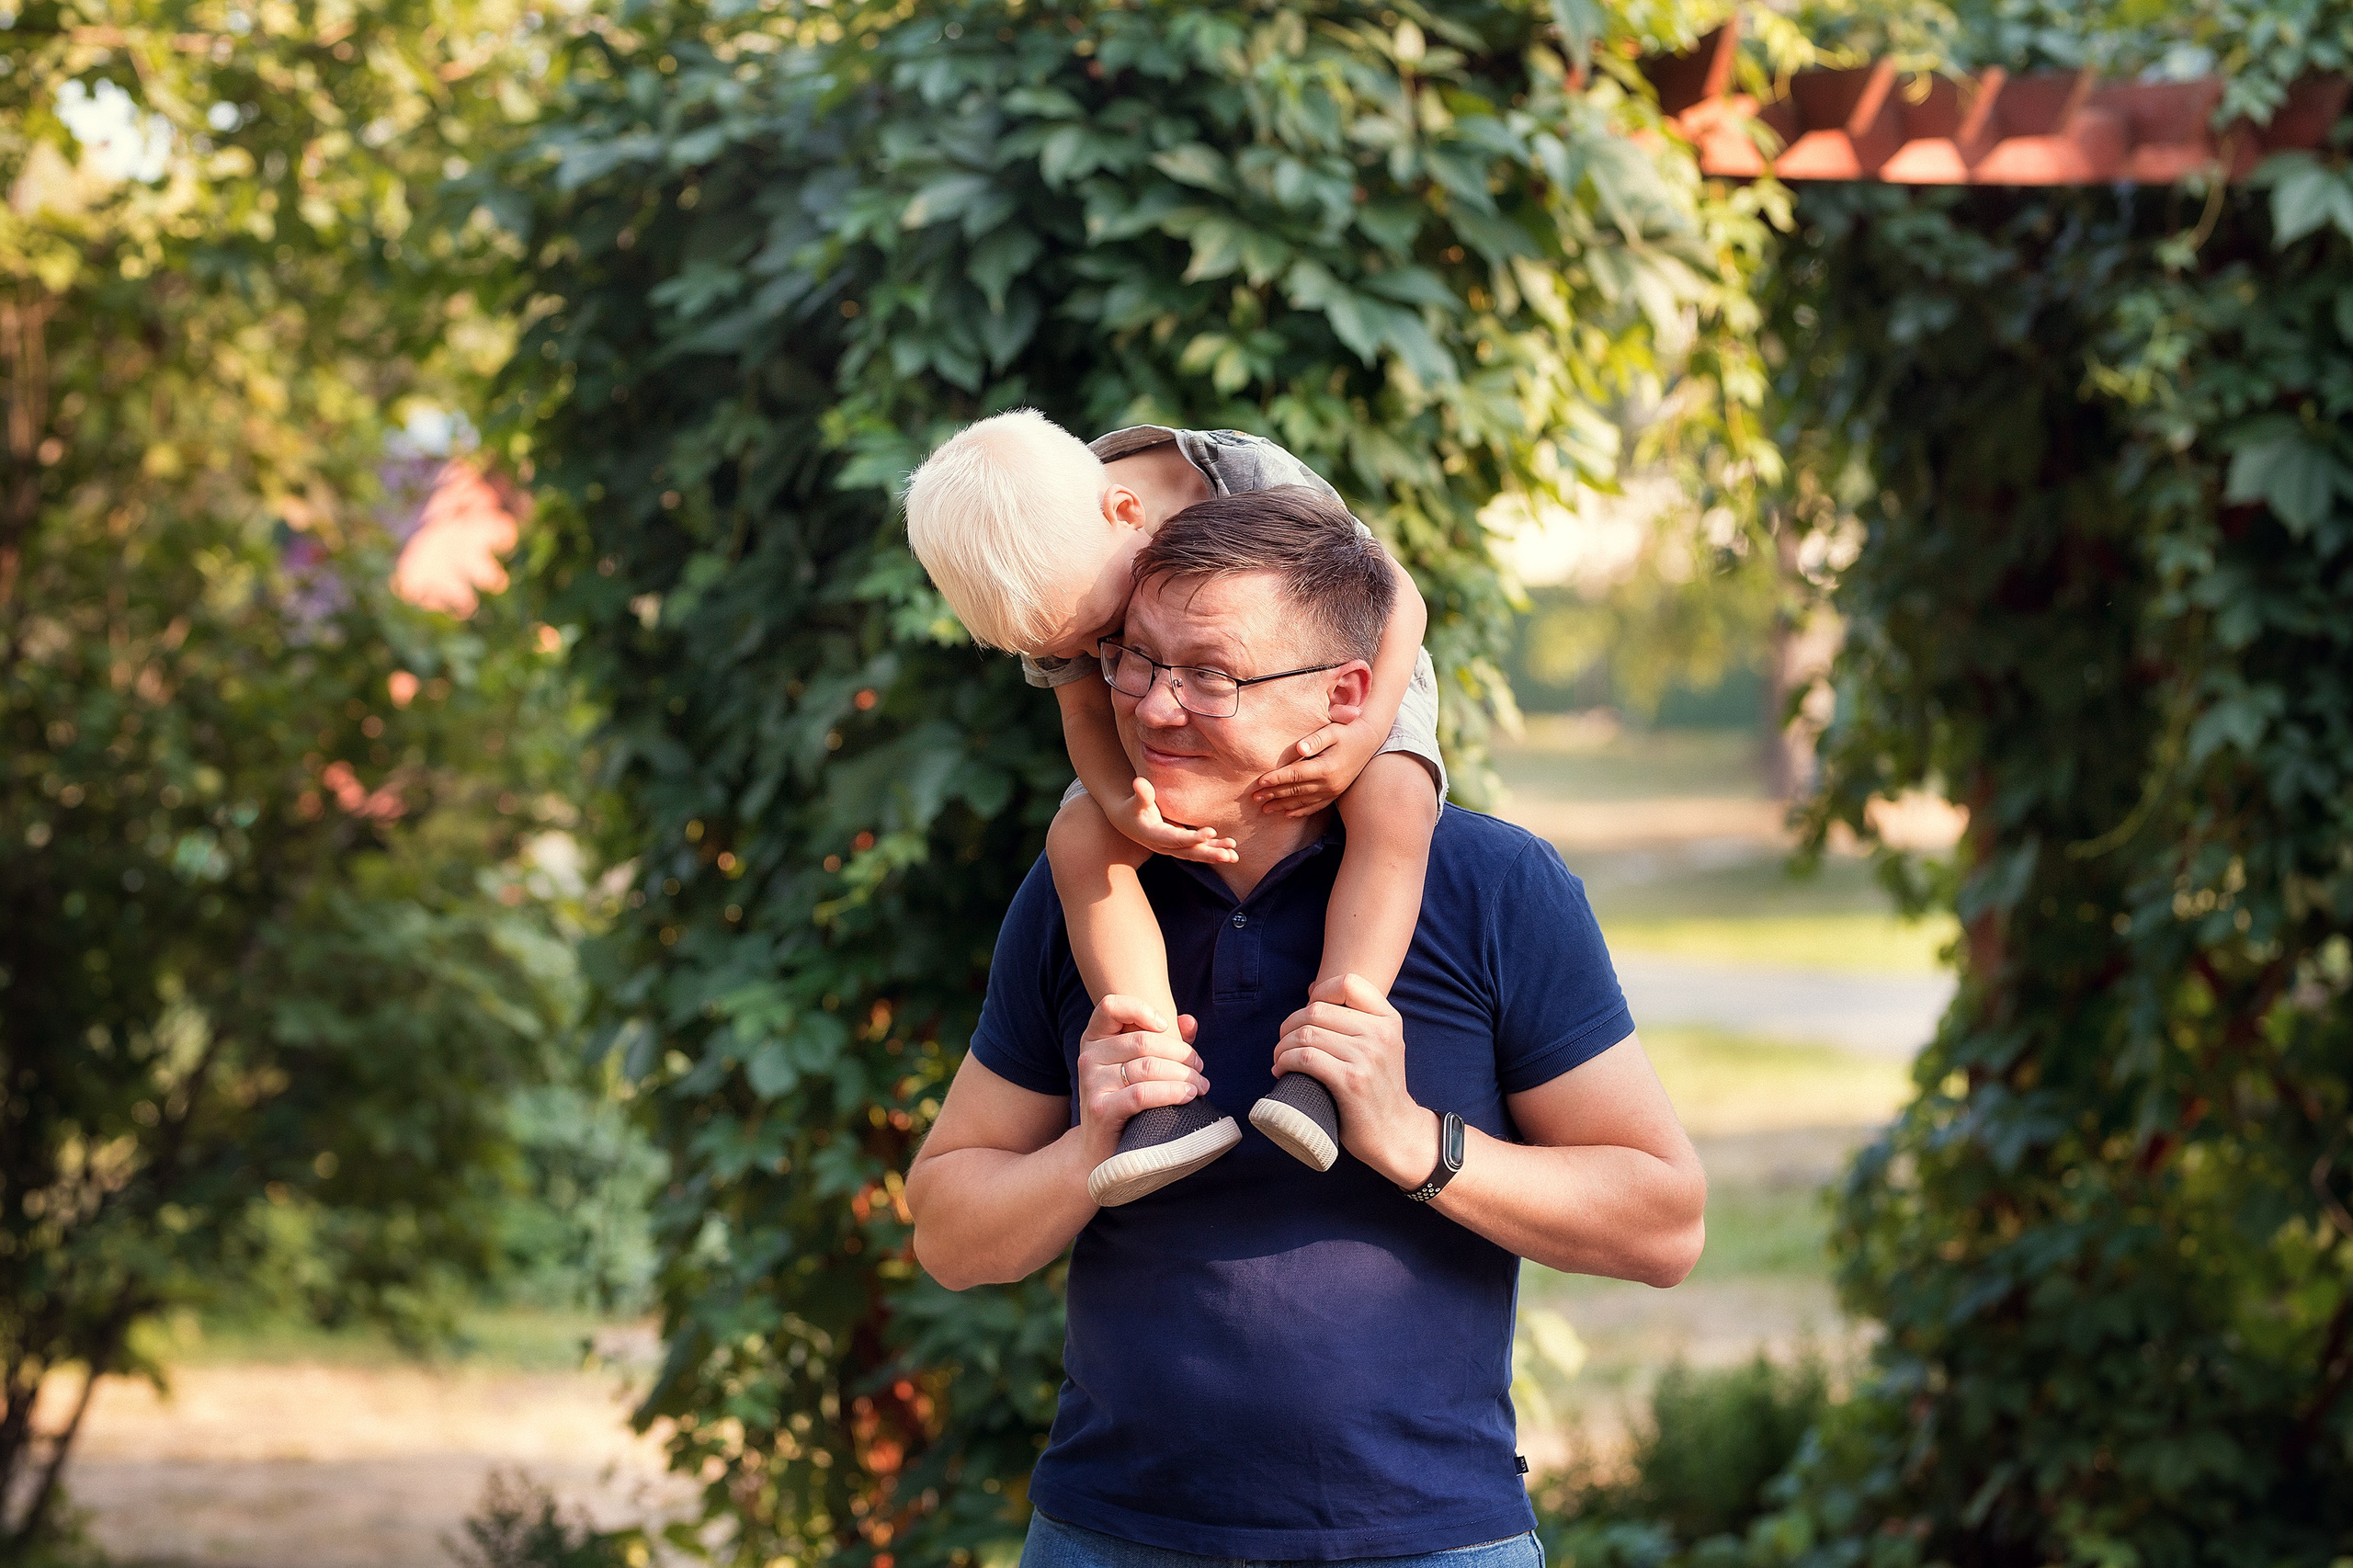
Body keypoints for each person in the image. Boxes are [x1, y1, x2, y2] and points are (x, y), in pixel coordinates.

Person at [904, 488, 1707, 1566]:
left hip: (1426, 1539)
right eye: (1134, 658)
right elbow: (947, 1231)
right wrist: (1085, 1150)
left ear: (1347, 694)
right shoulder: (1085, 896)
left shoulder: (1490, 885)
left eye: (1211, 673)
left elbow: (1663, 1223)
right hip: (1109, 1535)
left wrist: (1414, 1139)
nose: (1151, 705)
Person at [904, 413, 1443, 1204]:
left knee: (1397, 800)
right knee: (1079, 838)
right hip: (1180, 702)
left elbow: (1393, 596)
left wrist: (1359, 739)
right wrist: (1125, 807)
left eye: (1102, 627)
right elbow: (1088, 717)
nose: (1091, 650)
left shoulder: (1247, 476)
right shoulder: (1058, 577)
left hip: (1348, 676)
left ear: (1126, 513)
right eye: (1075, 649)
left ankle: (1331, 1057)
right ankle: (1159, 1090)